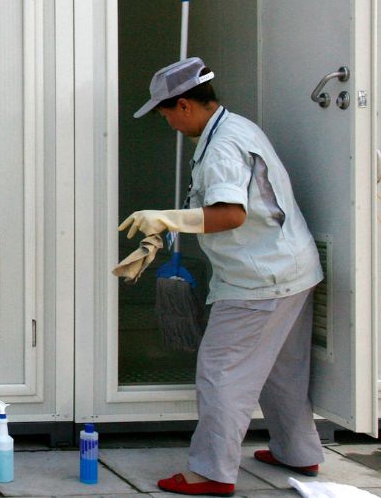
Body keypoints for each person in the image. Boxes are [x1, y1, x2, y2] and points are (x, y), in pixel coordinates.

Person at [120, 56, 324, 496]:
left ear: (185, 106)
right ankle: (298, 451)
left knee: (221, 373)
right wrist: (159, 236)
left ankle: (211, 472)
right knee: (282, 370)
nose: (168, 123)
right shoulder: (239, 126)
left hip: (259, 282)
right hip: (292, 267)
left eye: (166, 114)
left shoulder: (221, 147)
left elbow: (230, 214)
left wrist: (166, 219)